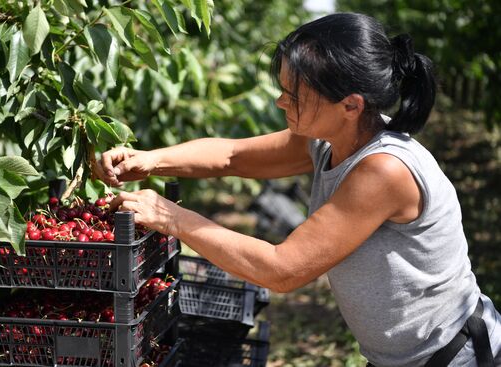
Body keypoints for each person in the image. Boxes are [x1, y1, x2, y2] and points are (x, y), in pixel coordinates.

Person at [96, 12, 501, 367]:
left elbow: (282, 269)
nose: (279, 101)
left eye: (293, 95)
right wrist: (150, 158)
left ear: (351, 105)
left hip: (456, 355)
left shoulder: (384, 170)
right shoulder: (331, 139)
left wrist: (171, 217)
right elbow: (233, 157)